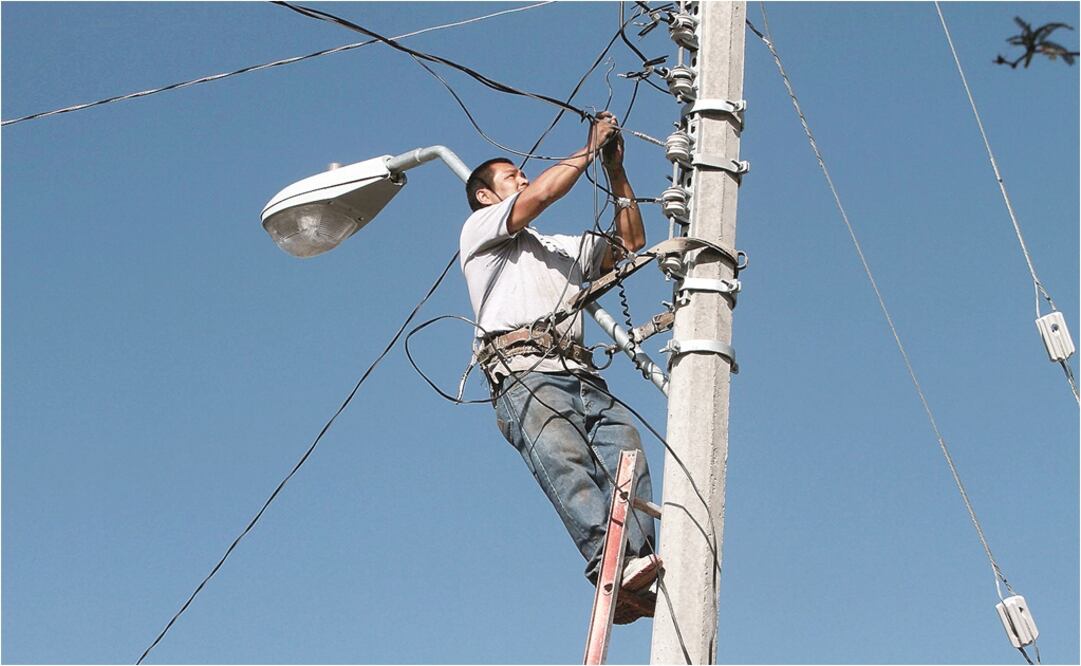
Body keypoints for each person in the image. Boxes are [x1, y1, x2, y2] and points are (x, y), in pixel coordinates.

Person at [458, 111, 661, 624]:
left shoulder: (556, 248)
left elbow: (630, 244)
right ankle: (608, 560)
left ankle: (637, 566)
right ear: (485, 195)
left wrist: (615, 170)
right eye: (512, 176)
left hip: (582, 373)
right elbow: (545, 194)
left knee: (627, 451)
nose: (523, 178)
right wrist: (589, 148)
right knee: (566, 463)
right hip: (525, 374)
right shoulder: (481, 230)